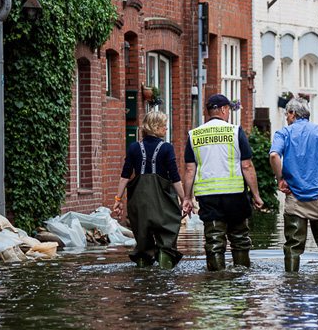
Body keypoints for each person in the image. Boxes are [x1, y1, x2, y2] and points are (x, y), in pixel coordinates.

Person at [182, 94, 264, 271]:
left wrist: (187, 198)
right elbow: (247, 165)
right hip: (235, 194)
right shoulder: (235, 131)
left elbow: (190, 169)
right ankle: (241, 277)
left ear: (208, 112)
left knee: (214, 239)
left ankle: (215, 278)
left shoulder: (194, 135)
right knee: (240, 238)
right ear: (224, 109)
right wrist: (256, 194)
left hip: (208, 196)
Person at [269, 98, 318, 272]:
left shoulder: (284, 133)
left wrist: (280, 178)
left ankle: (291, 280)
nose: (287, 118)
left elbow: (274, 155)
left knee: (293, 245)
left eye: (287, 114)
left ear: (292, 113)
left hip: (294, 197)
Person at [113, 110, 185, 268]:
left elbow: (125, 175)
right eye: (164, 126)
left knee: (143, 239)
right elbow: (174, 177)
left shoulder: (133, 148)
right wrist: (185, 199)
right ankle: (164, 266)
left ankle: (142, 269)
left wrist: (118, 200)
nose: (166, 129)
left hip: (139, 202)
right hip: (163, 201)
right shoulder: (166, 148)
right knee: (167, 232)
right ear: (156, 127)